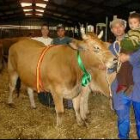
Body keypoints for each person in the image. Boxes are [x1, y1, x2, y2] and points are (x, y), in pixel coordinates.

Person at [109, 18, 140, 139]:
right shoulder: (111, 48)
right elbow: (112, 69)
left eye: (120, 26)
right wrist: (106, 67)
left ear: (124, 27)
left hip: (137, 85)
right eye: (114, 27)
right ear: (112, 30)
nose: (118, 28)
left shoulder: (136, 39)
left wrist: (129, 58)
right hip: (120, 86)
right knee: (122, 118)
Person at [32, 24, 54, 107]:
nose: (45, 31)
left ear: (48, 31)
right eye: (43, 29)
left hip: (49, 64)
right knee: (40, 80)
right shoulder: (36, 40)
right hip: (39, 64)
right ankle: (43, 98)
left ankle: (50, 97)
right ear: (41, 31)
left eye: (46, 29)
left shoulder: (52, 41)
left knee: (49, 80)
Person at [52, 24, 73, 109]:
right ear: (57, 32)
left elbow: (74, 48)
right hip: (56, 65)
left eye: (62, 30)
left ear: (64, 31)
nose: (60, 32)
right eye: (58, 31)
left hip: (66, 64)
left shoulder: (69, 40)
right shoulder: (54, 41)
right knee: (57, 83)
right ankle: (57, 101)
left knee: (68, 83)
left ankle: (69, 102)